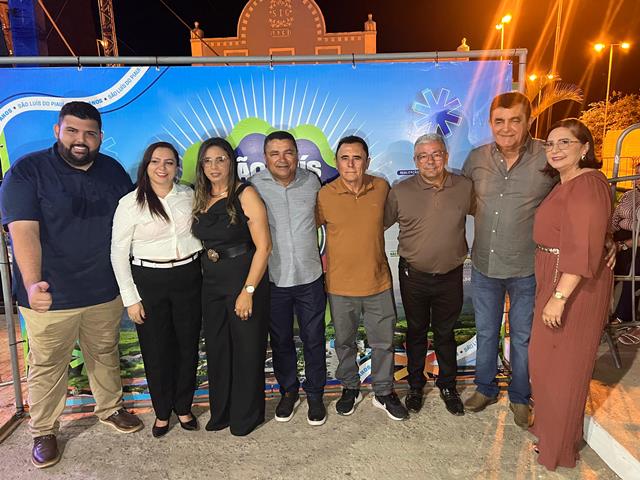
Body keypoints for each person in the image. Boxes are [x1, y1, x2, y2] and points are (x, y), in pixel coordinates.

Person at [0, 101, 142, 469]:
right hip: (49, 295)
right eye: (72, 131)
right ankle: (44, 430)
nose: (81, 140)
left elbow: (129, 226)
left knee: (104, 353)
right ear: (57, 131)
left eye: (90, 133)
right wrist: (33, 284)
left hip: (103, 291)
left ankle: (110, 408)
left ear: (100, 137)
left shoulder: (112, 171)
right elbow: (23, 231)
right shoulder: (28, 171)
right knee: (48, 364)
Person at [462, 92, 556, 428]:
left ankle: (519, 396)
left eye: (515, 120)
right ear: (491, 123)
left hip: (527, 268)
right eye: (499, 121)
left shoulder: (548, 156)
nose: (506, 128)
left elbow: (575, 195)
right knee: (486, 332)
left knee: (522, 336)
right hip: (485, 265)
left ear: (528, 121)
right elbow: (459, 198)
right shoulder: (476, 159)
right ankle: (485, 388)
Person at [529, 118, 612, 470]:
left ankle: (559, 448)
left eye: (565, 142)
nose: (555, 149)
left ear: (585, 147)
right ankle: (550, 433)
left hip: (572, 284)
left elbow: (581, 245)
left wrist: (559, 297)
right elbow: (591, 231)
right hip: (555, 275)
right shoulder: (567, 182)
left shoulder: (588, 183)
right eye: (550, 144)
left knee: (564, 369)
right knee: (545, 363)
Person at [110, 142, 203, 437]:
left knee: (187, 346)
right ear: (146, 165)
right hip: (148, 281)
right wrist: (131, 298)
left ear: (177, 167)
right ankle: (162, 412)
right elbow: (118, 253)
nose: (162, 168)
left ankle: (184, 407)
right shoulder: (130, 203)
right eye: (155, 161)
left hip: (189, 277)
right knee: (155, 350)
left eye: (169, 162)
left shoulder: (189, 195)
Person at [316, 135, 408, 421]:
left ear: (367, 161)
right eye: (344, 158)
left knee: (383, 343)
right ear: (336, 162)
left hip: (377, 282)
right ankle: (350, 388)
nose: (351, 164)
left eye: (357, 158)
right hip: (340, 286)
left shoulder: (381, 188)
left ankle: (383, 392)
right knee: (344, 342)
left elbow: (386, 220)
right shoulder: (324, 195)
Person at [384, 133, 473, 416]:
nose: (430, 161)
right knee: (416, 332)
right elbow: (376, 224)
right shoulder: (400, 191)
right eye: (423, 156)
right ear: (415, 161)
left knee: (446, 333)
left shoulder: (464, 187)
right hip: (414, 275)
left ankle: (448, 386)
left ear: (445, 156)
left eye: (435, 154)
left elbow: (488, 215)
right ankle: (415, 386)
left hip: (450, 275)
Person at [192, 137, 272, 436]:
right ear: (201, 165)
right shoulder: (199, 196)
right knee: (218, 348)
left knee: (247, 349)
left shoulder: (245, 193)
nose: (214, 166)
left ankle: (246, 417)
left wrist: (248, 291)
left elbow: (264, 247)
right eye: (208, 161)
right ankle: (222, 412)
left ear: (231, 162)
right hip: (211, 282)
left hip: (243, 278)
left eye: (221, 159)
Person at [251, 131, 327, 426]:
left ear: (297, 155)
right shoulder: (254, 187)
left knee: (313, 339)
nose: (282, 159)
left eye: (288, 152)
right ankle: (289, 391)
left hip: (309, 277)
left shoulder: (312, 182)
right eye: (275, 153)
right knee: (281, 340)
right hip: (274, 279)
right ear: (265, 157)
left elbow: (320, 219)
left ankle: (316, 394)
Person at [611, 161, 640, 342]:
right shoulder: (629, 195)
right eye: (636, 175)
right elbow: (615, 217)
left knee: (634, 269)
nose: (637, 179)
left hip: (635, 241)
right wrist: (608, 238)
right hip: (621, 236)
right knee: (606, 265)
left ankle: (623, 316)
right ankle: (601, 311)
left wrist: (624, 245)